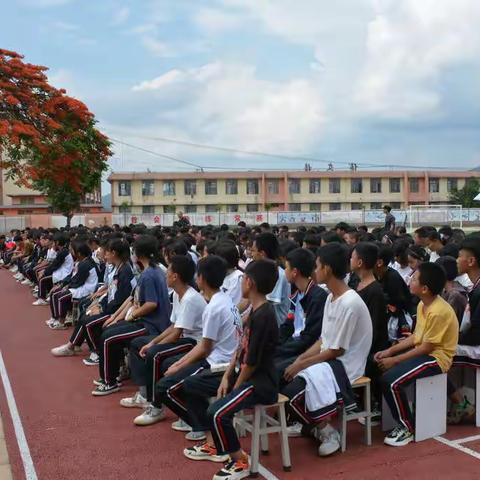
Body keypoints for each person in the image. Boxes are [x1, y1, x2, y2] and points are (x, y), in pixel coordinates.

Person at [189, 260, 279, 480]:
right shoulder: (253, 312)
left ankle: (239, 460)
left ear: (249, 282)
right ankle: (223, 450)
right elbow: (240, 349)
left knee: (217, 413)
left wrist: (234, 388)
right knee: (197, 388)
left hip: (261, 383)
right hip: (244, 375)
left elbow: (252, 362)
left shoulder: (265, 316)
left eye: (243, 279)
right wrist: (227, 376)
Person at [281, 243, 373, 457]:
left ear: (327, 269)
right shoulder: (332, 297)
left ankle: (327, 430)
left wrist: (301, 364)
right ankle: (313, 424)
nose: (314, 271)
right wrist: (301, 358)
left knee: (292, 392)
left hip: (346, 365)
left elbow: (336, 351)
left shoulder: (349, 302)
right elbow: (324, 339)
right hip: (330, 359)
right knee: (282, 373)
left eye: (317, 266)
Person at [147, 255, 241, 453]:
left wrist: (179, 365)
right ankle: (202, 425)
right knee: (172, 375)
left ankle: (205, 430)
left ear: (202, 279)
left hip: (219, 365)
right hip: (222, 359)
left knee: (166, 387)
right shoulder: (223, 300)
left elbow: (204, 348)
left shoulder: (214, 307)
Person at [376, 262, 458, 446]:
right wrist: (388, 351)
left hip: (437, 359)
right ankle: (393, 417)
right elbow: (415, 338)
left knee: (391, 381)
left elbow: (426, 348)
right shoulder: (423, 304)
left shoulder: (438, 311)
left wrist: (394, 360)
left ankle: (407, 427)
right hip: (425, 354)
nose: (409, 280)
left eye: (414, 278)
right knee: (383, 373)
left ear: (425, 288)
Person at [124, 255, 206, 428]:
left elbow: (176, 334)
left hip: (196, 342)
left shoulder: (190, 298)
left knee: (155, 355)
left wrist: (154, 347)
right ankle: (150, 398)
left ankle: (156, 406)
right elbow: (173, 326)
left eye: (167, 272)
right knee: (146, 347)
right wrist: (152, 342)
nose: (165, 275)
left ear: (175, 276)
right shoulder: (178, 294)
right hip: (186, 337)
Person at [92, 235, 171, 395]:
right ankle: (115, 372)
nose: (132, 255)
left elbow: (151, 304)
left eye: (133, 251)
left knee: (108, 338)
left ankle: (109, 382)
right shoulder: (151, 271)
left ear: (139, 254)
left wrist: (132, 315)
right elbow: (132, 297)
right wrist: (116, 318)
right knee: (109, 330)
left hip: (151, 325)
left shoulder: (150, 274)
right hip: (145, 321)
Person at [51, 239, 135, 361]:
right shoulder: (117, 268)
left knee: (88, 320)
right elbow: (111, 292)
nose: (103, 254)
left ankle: (97, 352)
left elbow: (121, 299)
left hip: (118, 311)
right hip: (111, 305)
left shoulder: (125, 271)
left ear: (114, 253)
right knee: (86, 313)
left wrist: (102, 309)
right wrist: (100, 304)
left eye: (106, 252)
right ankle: (72, 346)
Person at [275, 248, 328, 380]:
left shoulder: (317, 297)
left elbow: (309, 338)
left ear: (295, 272)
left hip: (307, 351)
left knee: (272, 369)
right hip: (294, 344)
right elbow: (288, 325)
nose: (284, 271)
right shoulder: (296, 294)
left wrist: (282, 349)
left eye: (286, 267)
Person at [351, 242, 387, 422]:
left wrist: (360, 348)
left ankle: (375, 407)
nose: (350, 259)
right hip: (357, 342)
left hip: (371, 346)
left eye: (353, 256)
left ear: (360, 263)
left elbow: (374, 326)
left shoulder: (375, 291)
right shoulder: (357, 283)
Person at [447, 235, 480, 423]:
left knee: (438, 354)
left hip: (477, 345)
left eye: (459, 256)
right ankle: (460, 401)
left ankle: (462, 403)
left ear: (471, 261)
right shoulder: (475, 287)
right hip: (473, 340)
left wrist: (451, 339)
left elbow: (477, 333)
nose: (456, 260)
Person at [46, 241, 98, 329]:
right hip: (78, 285)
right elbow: (72, 276)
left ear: (79, 253)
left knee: (60, 296)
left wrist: (66, 287)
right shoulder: (80, 261)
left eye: (72, 250)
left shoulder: (86, 264)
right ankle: (55, 318)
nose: (71, 252)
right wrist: (62, 284)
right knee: (54, 293)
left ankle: (61, 322)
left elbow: (78, 281)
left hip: (86, 288)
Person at [249, 232, 290, 326]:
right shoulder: (263, 271)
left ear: (262, 253)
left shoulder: (278, 274)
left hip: (273, 329)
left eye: (253, 251)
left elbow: (265, 305)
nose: (252, 255)